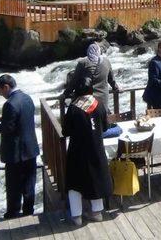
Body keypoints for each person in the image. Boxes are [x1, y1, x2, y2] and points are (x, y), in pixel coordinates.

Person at [62, 78, 112, 226]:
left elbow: (66, 131)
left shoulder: (74, 108)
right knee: (95, 179)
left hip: (77, 151)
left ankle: (76, 216)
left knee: (74, 183)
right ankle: (97, 213)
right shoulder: (99, 104)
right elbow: (105, 127)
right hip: (96, 148)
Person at [0, 74, 39, 219]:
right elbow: (21, 119)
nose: (1, 94)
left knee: (13, 186)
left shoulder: (10, 104)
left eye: (0, 91)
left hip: (15, 152)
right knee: (29, 183)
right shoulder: (27, 98)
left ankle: (13, 213)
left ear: (6, 87)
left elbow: (6, 130)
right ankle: (29, 211)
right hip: (30, 149)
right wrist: (4, 118)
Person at [65, 43, 120, 114]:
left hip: (87, 101)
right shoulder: (106, 62)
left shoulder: (82, 63)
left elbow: (74, 81)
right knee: (101, 121)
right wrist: (116, 88)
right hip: (102, 101)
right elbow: (111, 80)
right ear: (99, 51)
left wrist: (66, 93)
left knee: (83, 120)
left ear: (88, 51)